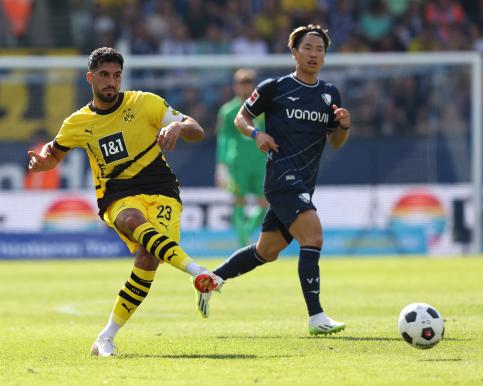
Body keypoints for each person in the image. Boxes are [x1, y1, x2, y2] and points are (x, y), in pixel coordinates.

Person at [27, 47, 224, 357]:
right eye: (104, 75)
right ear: (90, 78)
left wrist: (177, 126)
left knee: (148, 257)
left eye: (117, 75)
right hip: (117, 194)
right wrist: (43, 164)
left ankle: (105, 337)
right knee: (133, 222)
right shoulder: (77, 122)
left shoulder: (144, 102)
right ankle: (199, 271)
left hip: (162, 189)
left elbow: (196, 129)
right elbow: (54, 154)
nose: (111, 82)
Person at [196, 25, 351, 335]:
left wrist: (344, 126)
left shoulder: (330, 94)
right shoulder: (274, 88)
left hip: (305, 181)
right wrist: (257, 134)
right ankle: (316, 317)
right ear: (294, 52)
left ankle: (210, 280)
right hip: (282, 177)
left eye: (319, 49)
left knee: (267, 251)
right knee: (313, 238)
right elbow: (242, 117)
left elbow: (335, 143)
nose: (313, 54)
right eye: (307, 48)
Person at [215, 69, 268, 247]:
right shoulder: (228, 111)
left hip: (260, 162)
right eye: (241, 83)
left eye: (248, 83)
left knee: (265, 202)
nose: (245, 87)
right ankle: (243, 242)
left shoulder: (263, 109)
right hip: (237, 163)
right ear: (235, 86)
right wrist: (221, 165)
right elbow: (223, 139)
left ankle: (246, 233)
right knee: (239, 201)